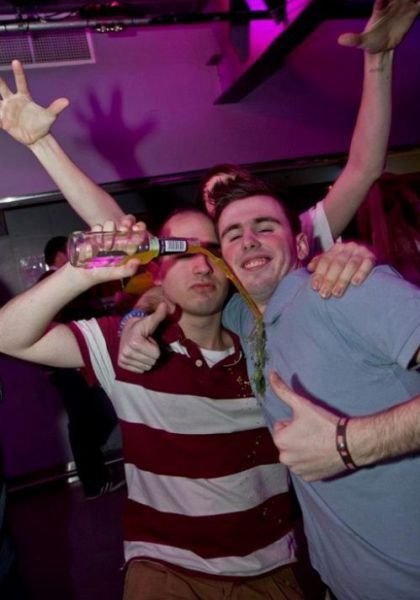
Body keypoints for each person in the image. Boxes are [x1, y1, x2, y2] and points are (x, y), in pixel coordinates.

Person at [0, 210, 324, 600]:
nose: (202, 266)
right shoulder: (128, 344)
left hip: (271, 569)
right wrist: (83, 272)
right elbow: (7, 335)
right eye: (184, 253)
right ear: (156, 272)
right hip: (167, 570)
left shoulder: (263, 350)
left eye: (212, 251)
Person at [0, 0, 406, 300]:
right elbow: (113, 224)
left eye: (236, 189)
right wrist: (42, 145)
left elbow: (363, 167)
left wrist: (378, 60)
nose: (244, 229)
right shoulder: (206, 260)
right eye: (217, 203)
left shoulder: (288, 235)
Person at [40, 235, 124, 499]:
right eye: (69, 250)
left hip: (72, 362)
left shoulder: (58, 282)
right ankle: (93, 481)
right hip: (71, 364)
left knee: (87, 419)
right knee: (86, 420)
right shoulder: (54, 282)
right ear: (59, 255)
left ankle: (94, 477)